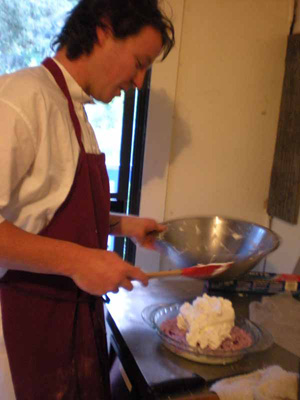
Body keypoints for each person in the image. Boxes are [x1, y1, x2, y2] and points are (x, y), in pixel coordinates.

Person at [0, 0, 175, 398]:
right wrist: (81, 261)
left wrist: (121, 224)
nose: (139, 82)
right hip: (24, 332)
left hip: (72, 326)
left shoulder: (74, 109)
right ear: (103, 30)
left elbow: (43, 207)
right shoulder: (23, 98)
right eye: (139, 62)